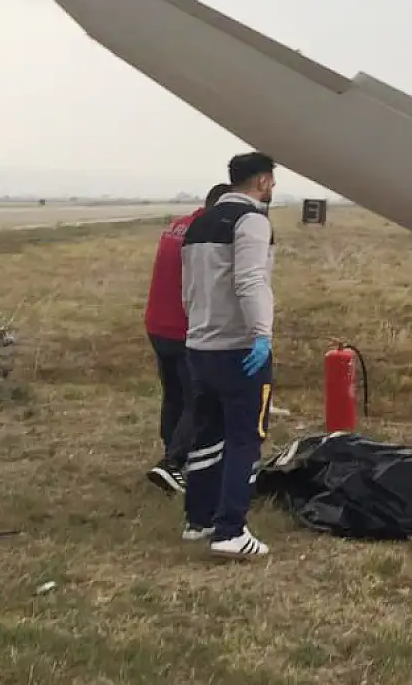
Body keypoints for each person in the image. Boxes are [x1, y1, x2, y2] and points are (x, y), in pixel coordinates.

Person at [179, 151, 279, 559]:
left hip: (199, 344)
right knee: (244, 439)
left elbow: (189, 287)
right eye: (272, 180)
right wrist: (262, 335)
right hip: (239, 348)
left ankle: (198, 520)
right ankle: (231, 530)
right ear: (262, 182)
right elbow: (252, 279)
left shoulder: (199, 223)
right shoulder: (252, 220)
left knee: (207, 434)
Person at [144, 182, 232, 494]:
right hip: (185, 328)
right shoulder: (207, 233)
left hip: (157, 323)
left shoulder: (177, 225)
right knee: (199, 398)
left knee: (174, 395)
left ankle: (172, 456)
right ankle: (172, 463)